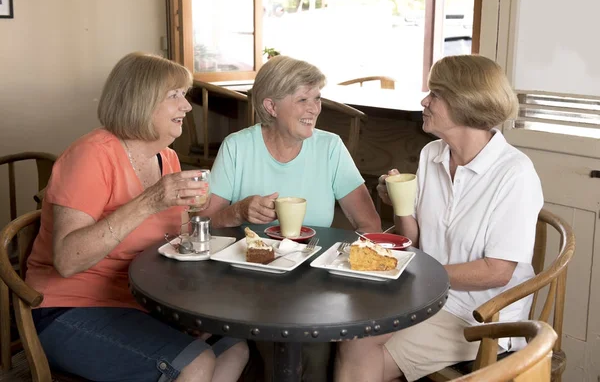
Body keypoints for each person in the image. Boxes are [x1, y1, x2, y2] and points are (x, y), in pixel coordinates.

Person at [25, 52, 249, 382]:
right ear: (141, 101)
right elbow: (67, 260)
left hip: (142, 302)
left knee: (234, 347)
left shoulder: (167, 158)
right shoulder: (92, 156)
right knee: (196, 362)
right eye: (174, 96)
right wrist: (149, 201)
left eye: (184, 96)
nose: (186, 107)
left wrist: (185, 309)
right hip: (70, 307)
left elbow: (174, 244)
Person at [335, 55, 544, 382]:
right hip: (425, 299)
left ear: (465, 104)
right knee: (351, 334)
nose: (424, 101)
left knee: (358, 348)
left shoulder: (514, 173)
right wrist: (401, 202)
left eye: (435, 94)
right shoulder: (432, 154)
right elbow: (414, 240)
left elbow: (497, 272)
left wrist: (414, 275)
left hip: (478, 317)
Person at [200, 55, 381, 233]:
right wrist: (238, 212)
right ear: (271, 107)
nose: (314, 109)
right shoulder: (236, 147)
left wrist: (345, 257)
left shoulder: (330, 147)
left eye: (317, 98)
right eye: (302, 100)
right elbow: (202, 223)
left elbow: (371, 226)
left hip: (313, 259)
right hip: (248, 260)